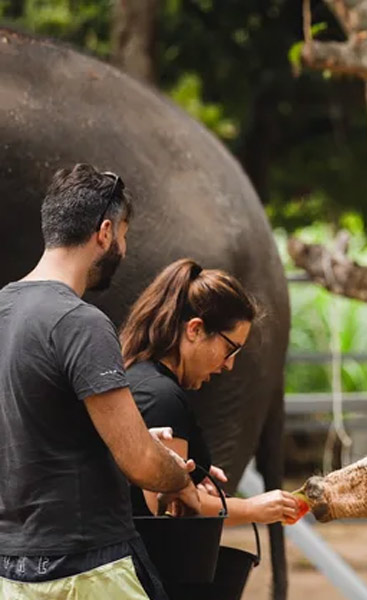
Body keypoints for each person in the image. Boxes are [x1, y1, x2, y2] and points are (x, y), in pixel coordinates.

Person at [0, 164, 200, 600]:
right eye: (124, 234)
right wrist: (180, 479)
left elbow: (31, 429)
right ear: (105, 232)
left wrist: (133, 433)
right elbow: (141, 464)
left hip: (11, 574)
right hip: (87, 571)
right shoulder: (80, 322)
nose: (123, 247)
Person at [120, 258, 301, 525]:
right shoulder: (162, 397)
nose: (229, 365)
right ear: (195, 329)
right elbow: (168, 507)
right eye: (230, 349)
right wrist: (251, 508)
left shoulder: (139, 378)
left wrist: (194, 475)